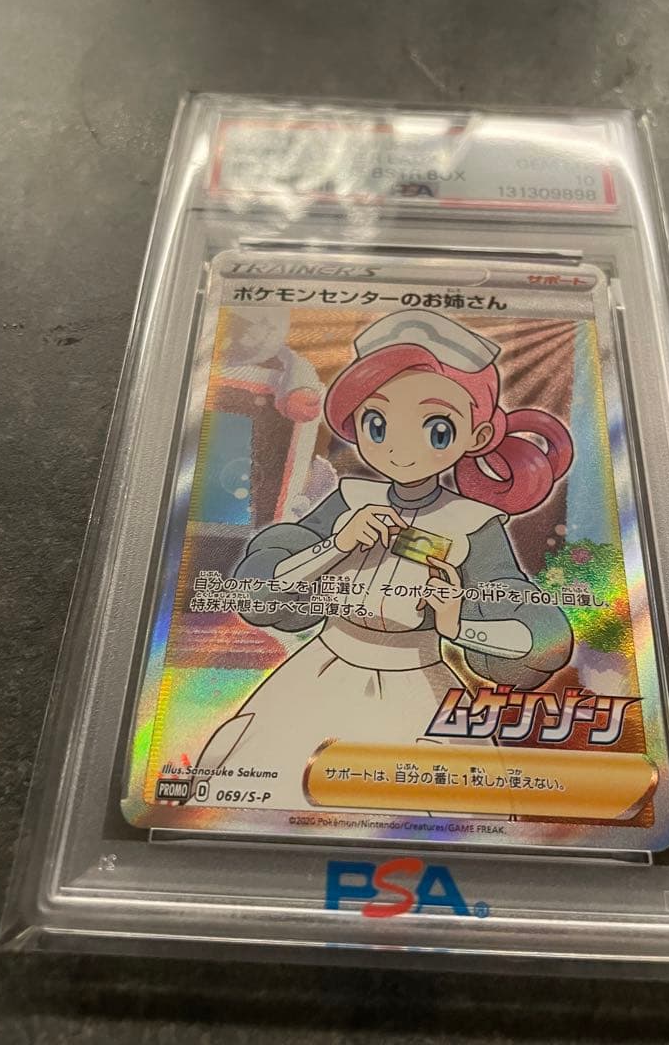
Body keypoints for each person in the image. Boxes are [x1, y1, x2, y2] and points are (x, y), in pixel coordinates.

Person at [193, 309, 574, 808]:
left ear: (477, 438)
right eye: (378, 423)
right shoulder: (350, 499)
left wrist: (457, 624)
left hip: (418, 681)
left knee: (433, 803)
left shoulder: (472, 523)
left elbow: (542, 637)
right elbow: (260, 586)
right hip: (321, 671)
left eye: (437, 429)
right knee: (265, 776)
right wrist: (334, 545)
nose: (401, 449)